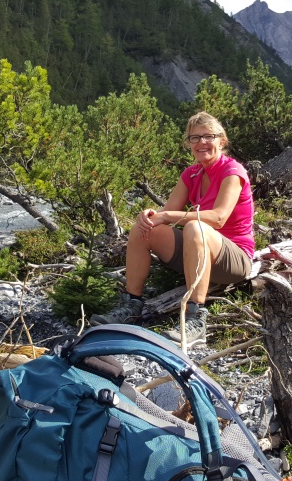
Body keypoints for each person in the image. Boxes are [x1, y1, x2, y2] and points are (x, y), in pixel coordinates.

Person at [90, 112, 255, 344]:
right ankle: (131, 305)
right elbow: (165, 215)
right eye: (194, 138)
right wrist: (151, 215)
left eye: (208, 136)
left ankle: (196, 318)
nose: (201, 142)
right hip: (197, 253)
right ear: (189, 144)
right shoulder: (191, 174)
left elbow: (218, 218)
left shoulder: (232, 172)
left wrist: (166, 215)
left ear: (222, 141)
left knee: (195, 227)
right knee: (145, 227)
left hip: (234, 260)